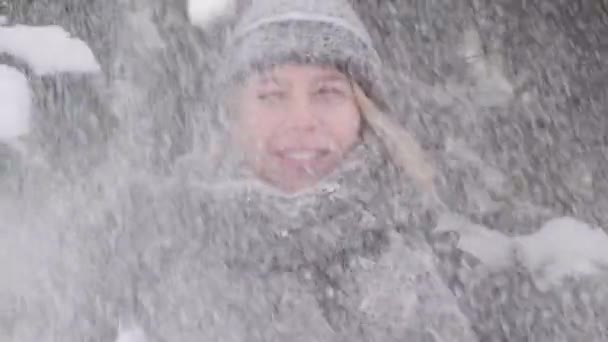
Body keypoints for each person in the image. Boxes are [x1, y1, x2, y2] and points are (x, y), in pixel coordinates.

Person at [97, 0, 478, 341]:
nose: (302, 120)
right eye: (272, 95)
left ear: (363, 114)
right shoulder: (149, 258)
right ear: (235, 116)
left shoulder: (415, 282)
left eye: (327, 93)